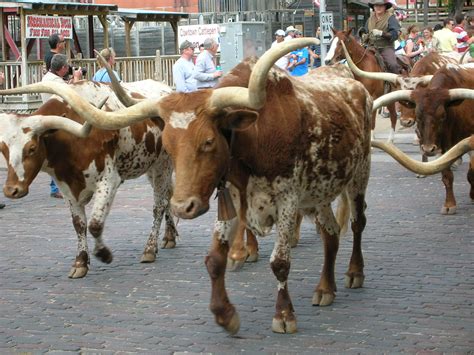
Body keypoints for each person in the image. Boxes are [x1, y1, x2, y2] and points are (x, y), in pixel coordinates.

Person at [41, 54, 82, 199]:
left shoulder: (47, 77)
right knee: (60, 154)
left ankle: (59, 185)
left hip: (49, 119)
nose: (68, 68)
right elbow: (72, 95)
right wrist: (76, 79)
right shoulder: (57, 82)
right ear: (63, 68)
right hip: (58, 120)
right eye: (67, 66)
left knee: (56, 153)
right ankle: (56, 187)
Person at [364, 0, 401, 74]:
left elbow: (395, 34)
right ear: (373, 7)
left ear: (385, 7)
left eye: (381, 5)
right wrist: (364, 35)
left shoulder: (391, 18)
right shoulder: (369, 19)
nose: (378, 7)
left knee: (393, 65)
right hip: (370, 47)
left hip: (385, 47)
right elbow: (365, 31)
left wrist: (382, 33)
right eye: (376, 5)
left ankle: (396, 83)